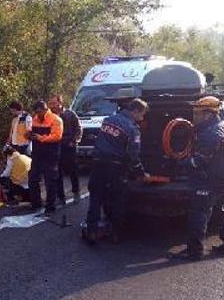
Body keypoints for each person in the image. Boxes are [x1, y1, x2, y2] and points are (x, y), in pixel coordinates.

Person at [173, 96, 224, 260]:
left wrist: (179, 163)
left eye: (197, 112)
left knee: (198, 213)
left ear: (208, 114)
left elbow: (199, 161)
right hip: (220, 177)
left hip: (209, 179)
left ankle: (194, 251)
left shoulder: (210, 134)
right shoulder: (218, 125)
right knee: (218, 210)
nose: (194, 115)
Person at [84, 98, 150, 245]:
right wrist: (141, 173)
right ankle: (115, 233)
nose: (142, 118)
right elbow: (133, 155)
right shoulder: (132, 129)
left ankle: (91, 232)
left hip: (97, 163)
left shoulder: (108, 120)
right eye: (141, 115)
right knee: (117, 199)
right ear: (135, 111)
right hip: (116, 167)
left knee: (95, 198)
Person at [28, 100, 63, 215]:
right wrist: (27, 135)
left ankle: (50, 207)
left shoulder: (56, 119)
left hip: (50, 155)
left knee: (50, 181)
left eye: (40, 112)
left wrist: (40, 138)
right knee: (33, 179)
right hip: (37, 154)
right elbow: (31, 133)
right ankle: (36, 203)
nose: (38, 114)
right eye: (36, 112)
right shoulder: (35, 118)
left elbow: (57, 136)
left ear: (45, 109)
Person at [49, 95, 83, 204]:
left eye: (55, 103)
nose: (53, 106)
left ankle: (76, 192)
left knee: (73, 171)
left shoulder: (70, 114)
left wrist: (74, 142)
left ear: (60, 103)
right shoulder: (50, 116)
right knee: (57, 172)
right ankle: (60, 197)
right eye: (51, 103)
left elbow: (79, 128)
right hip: (56, 146)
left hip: (69, 146)